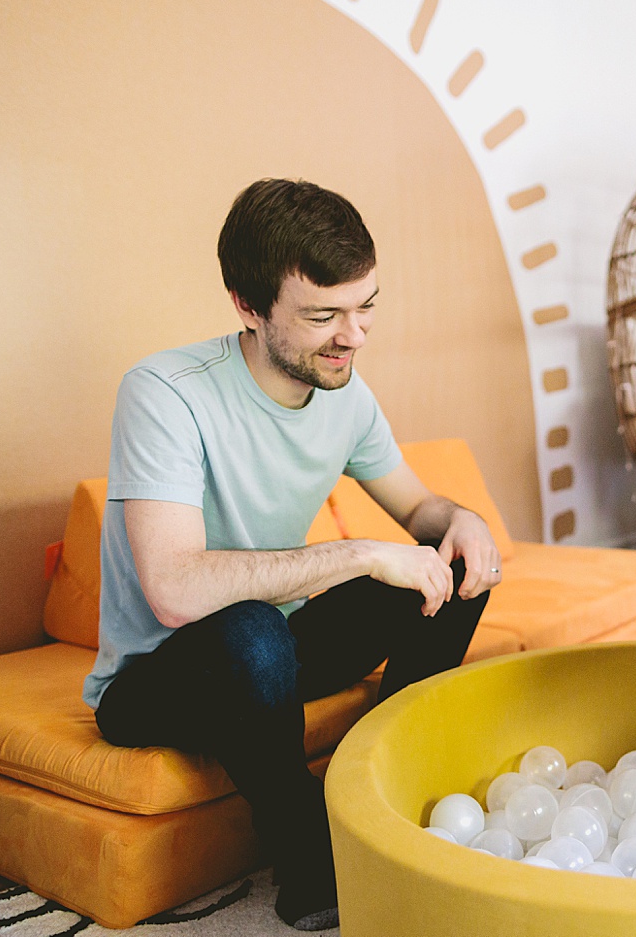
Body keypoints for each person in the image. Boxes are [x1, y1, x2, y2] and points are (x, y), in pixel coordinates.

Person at [83, 178, 502, 931]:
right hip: (161, 672)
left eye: (365, 305)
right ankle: (308, 851)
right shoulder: (165, 392)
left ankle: (383, 794)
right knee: (252, 629)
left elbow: (419, 507)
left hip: (277, 650)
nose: (354, 335)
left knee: (454, 569)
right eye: (322, 315)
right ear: (248, 305)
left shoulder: (345, 391)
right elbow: (174, 589)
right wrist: (361, 552)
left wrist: (461, 520)